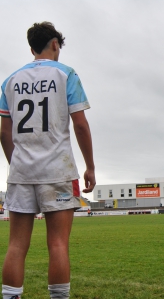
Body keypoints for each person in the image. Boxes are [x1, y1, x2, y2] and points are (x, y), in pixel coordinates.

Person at [0, 22, 96, 299]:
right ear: (55, 44)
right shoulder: (66, 74)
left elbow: (4, 131)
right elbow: (80, 125)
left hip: (21, 172)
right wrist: (90, 166)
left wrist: (15, 162)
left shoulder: (9, 81)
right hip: (58, 171)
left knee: (16, 246)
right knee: (57, 244)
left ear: (32, 48)